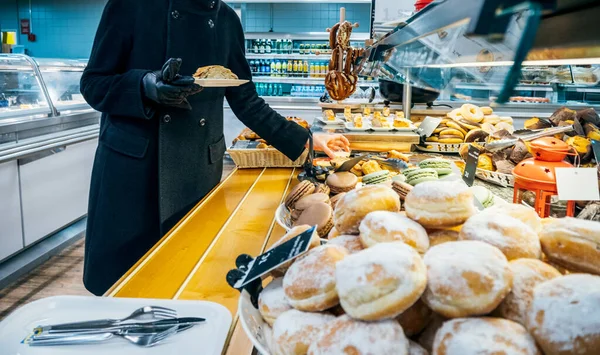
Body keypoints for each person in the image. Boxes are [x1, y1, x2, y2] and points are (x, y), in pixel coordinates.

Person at [80, 0, 350, 295]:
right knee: (124, 285)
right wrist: (144, 85)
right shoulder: (130, 6)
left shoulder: (225, 19)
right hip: (135, 171)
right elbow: (94, 83)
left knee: (184, 276)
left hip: (195, 168)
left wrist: (305, 139)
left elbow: (245, 99)